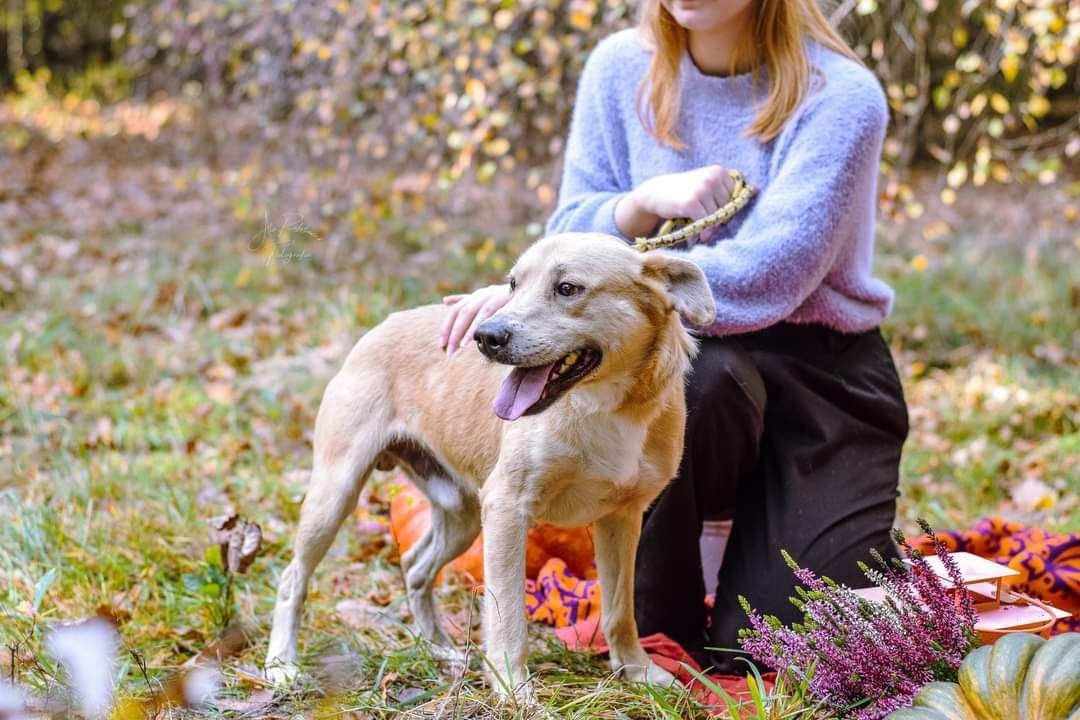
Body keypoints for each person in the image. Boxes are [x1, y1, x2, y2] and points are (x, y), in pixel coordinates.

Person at [439, 0, 908, 673]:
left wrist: (622, 277)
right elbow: (573, 220)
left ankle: (753, 535)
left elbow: (771, 273)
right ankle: (702, 531)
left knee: (776, 643)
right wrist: (634, 208)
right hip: (686, 362)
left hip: (823, 374)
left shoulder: (841, 95)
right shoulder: (618, 67)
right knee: (694, 376)